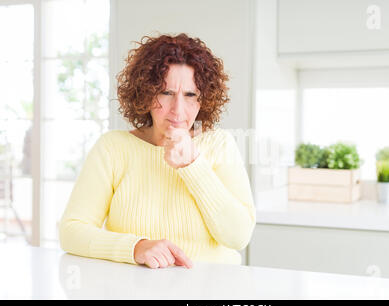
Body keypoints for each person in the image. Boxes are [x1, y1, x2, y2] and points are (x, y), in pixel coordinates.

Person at [59, 33, 256, 269]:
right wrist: (135, 247)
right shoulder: (112, 148)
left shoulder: (219, 145)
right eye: (166, 93)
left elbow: (238, 237)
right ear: (146, 92)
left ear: (203, 100)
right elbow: (71, 231)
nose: (178, 110)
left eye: (190, 95)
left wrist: (192, 166)